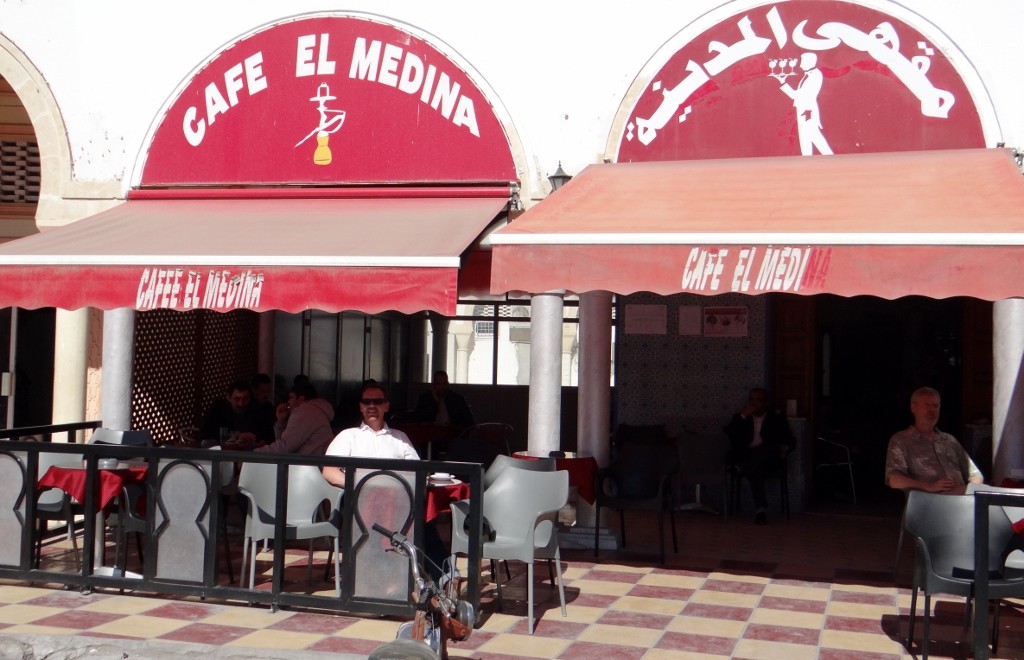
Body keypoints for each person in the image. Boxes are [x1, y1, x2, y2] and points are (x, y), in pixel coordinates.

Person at [323, 382, 446, 578]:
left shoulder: (400, 437)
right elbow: (329, 471)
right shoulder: (348, 436)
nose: (372, 405)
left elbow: (417, 471)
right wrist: (361, 484)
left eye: (377, 401)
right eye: (367, 401)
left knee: (423, 522)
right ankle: (384, 580)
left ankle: (444, 577)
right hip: (362, 502)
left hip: (399, 501)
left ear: (386, 406)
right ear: (361, 407)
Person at [885, 386, 983, 494]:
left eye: (935, 406)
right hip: (928, 502)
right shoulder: (901, 440)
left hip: (960, 500)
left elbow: (975, 473)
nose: (931, 410)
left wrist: (972, 489)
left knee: (996, 495)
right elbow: (893, 479)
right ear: (913, 407)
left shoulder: (949, 440)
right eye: (926, 405)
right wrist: (929, 486)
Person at [724, 387, 795, 525]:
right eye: (751, 399)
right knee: (756, 469)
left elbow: (790, 441)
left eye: (758, 400)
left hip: (770, 458)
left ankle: (740, 467)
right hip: (750, 458)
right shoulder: (741, 417)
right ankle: (760, 511)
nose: (754, 403)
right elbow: (728, 434)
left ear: (765, 402)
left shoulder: (776, 419)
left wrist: (785, 448)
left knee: (769, 448)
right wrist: (744, 415)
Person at [253, 382, 334, 456]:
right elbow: (285, 444)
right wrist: (281, 422)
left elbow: (285, 447)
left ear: (301, 399)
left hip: (310, 467)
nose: (288, 402)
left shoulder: (306, 411)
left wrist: (254, 453)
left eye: (291, 397)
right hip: (313, 465)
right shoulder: (315, 411)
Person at [199, 380, 260, 445]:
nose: (241, 404)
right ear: (228, 398)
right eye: (237, 399)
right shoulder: (218, 409)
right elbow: (204, 435)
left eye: (245, 399)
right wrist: (236, 436)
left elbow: (263, 436)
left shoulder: (255, 410)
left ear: (249, 399)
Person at [249, 373, 276, 443]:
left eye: (268, 392)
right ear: (254, 390)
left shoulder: (269, 407)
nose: (266, 395)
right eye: (263, 392)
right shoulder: (247, 406)